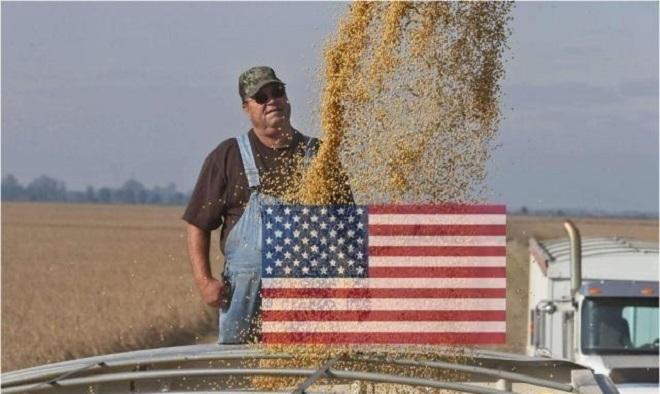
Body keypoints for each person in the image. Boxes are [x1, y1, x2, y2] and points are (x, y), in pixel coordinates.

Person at [183, 66, 350, 343]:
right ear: (246, 108)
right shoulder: (228, 156)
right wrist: (205, 281)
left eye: (278, 92)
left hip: (309, 296)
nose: (272, 100)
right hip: (247, 297)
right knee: (245, 376)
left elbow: (345, 224)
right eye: (261, 97)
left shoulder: (319, 156)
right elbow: (197, 224)